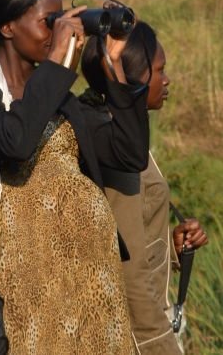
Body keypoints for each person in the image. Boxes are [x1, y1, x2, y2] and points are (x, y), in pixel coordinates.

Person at [0, 0, 150, 353]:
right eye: (47, 22)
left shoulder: (57, 95)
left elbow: (130, 153)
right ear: (7, 27)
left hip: (88, 281)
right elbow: (15, 141)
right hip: (19, 287)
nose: (57, 33)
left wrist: (113, 67)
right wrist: (57, 60)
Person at [80, 21, 209, 354]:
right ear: (132, 77)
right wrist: (160, 344)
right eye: (159, 70)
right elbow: (127, 270)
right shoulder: (117, 148)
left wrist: (171, 246)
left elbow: (124, 235)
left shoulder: (112, 128)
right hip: (137, 332)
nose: (166, 80)